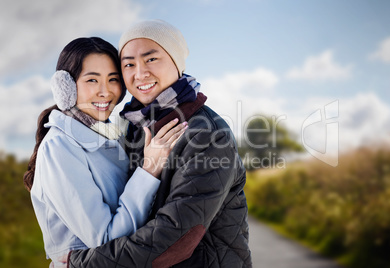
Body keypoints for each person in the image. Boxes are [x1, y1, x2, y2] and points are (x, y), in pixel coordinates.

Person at [68, 20, 252, 268]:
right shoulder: (134, 128)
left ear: (177, 63)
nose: (140, 73)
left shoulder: (207, 134)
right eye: (129, 64)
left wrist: (82, 263)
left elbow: (174, 238)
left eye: (151, 59)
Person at [23, 37, 187, 267]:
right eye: (92, 80)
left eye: (113, 79)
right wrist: (149, 170)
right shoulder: (59, 147)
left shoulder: (109, 136)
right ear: (66, 87)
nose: (105, 92)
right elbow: (104, 240)